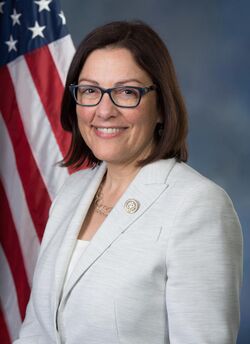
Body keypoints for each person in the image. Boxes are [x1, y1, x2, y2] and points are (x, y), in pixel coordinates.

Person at [14, 20, 243, 344]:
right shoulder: (72, 192)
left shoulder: (197, 206)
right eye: (90, 90)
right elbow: (38, 332)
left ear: (161, 106)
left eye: (126, 92)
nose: (104, 110)